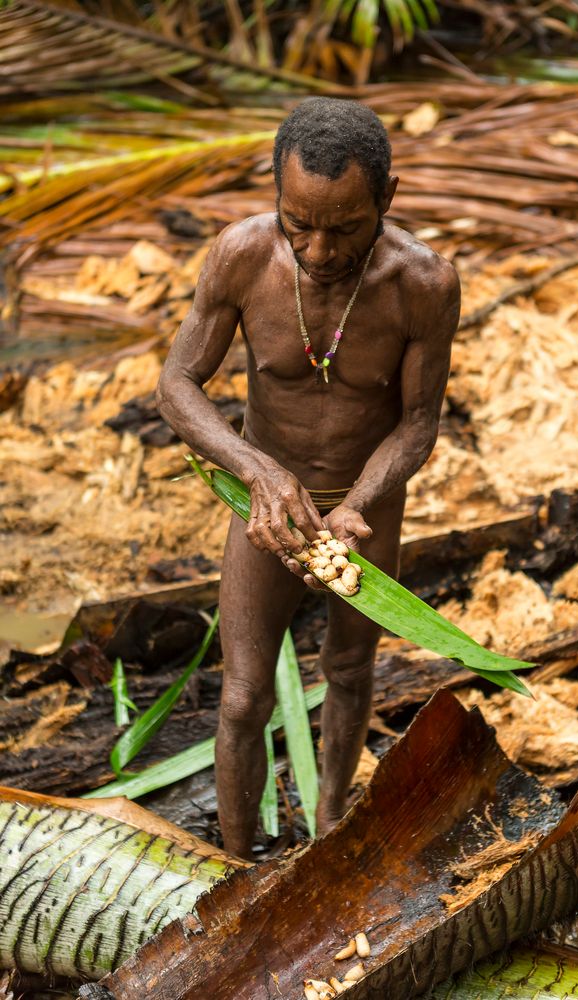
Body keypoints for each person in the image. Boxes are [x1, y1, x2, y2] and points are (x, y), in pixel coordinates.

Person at [156, 97, 460, 860]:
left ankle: (329, 830)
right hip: (265, 506)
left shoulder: (422, 283)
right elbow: (177, 384)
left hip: (365, 508)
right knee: (241, 697)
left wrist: (357, 503)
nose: (319, 250)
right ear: (275, 195)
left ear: (387, 198)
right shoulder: (241, 256)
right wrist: (258, 472)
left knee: (352, 668)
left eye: (346, 227)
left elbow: (418, 421)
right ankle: (234, 865)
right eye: (299, 223)